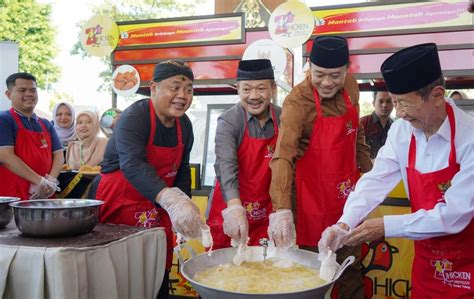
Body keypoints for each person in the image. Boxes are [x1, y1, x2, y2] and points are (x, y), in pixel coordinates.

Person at [320, 43, 474, 298]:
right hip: (427, 267)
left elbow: (454, 215)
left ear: (436, 96)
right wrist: (344, 223)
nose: (398, 113)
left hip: (468, 267)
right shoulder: (403, 131)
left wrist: (385, 227)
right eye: (393, 102)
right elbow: (375, 180)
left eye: (403, 103)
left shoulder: (469, 138)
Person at [91, 60, 205, 298]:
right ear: (153, 88)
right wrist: (171, 200)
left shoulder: (184, 124)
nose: (182, 96)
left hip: (158, 207)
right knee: (121, 273)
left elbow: (182, 169)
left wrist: (184, 204)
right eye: (175, 87)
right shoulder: (134, 117)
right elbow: (132, 164)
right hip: (121, 203)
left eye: (189, 89)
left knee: (157, 270)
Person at [268, 36, 372, 298]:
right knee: (309, 276)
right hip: (308, 203)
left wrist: (370, 176)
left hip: (345, 202)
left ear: (347, 70)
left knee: (349, 269)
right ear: (309, 67)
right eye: (320, 74)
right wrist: (281, 209)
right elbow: (282, 156)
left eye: (335, 75)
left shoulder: (351, 88)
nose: (327, 82)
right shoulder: (297, 103)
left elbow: (356, 133)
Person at [206, 59, 281, 249]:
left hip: (266, 212)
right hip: (231, 207)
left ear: (272, 88)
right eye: (246, 89)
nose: (254, 96)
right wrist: (234, 208)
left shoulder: (284, 117)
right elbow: (225, 165)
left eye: (261, 88)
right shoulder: (229, 121)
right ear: (237, 88)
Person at [0, 72, 63, 200]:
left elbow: (59, 154)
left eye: (33, 90)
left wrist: (50, 180)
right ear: (9, 94)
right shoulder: (4, 119)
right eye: (22, 90)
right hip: (13, 195)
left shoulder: (46, 124)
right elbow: (5, 156)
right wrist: (39, 181)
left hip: (44, 195)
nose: (29, 94)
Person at [360, 91, 394, 159]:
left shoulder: (395, 127)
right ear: (373, 103)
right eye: (380, 101)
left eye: (388, 101)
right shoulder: (362, 123)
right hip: (366, 168)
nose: (384, 105)